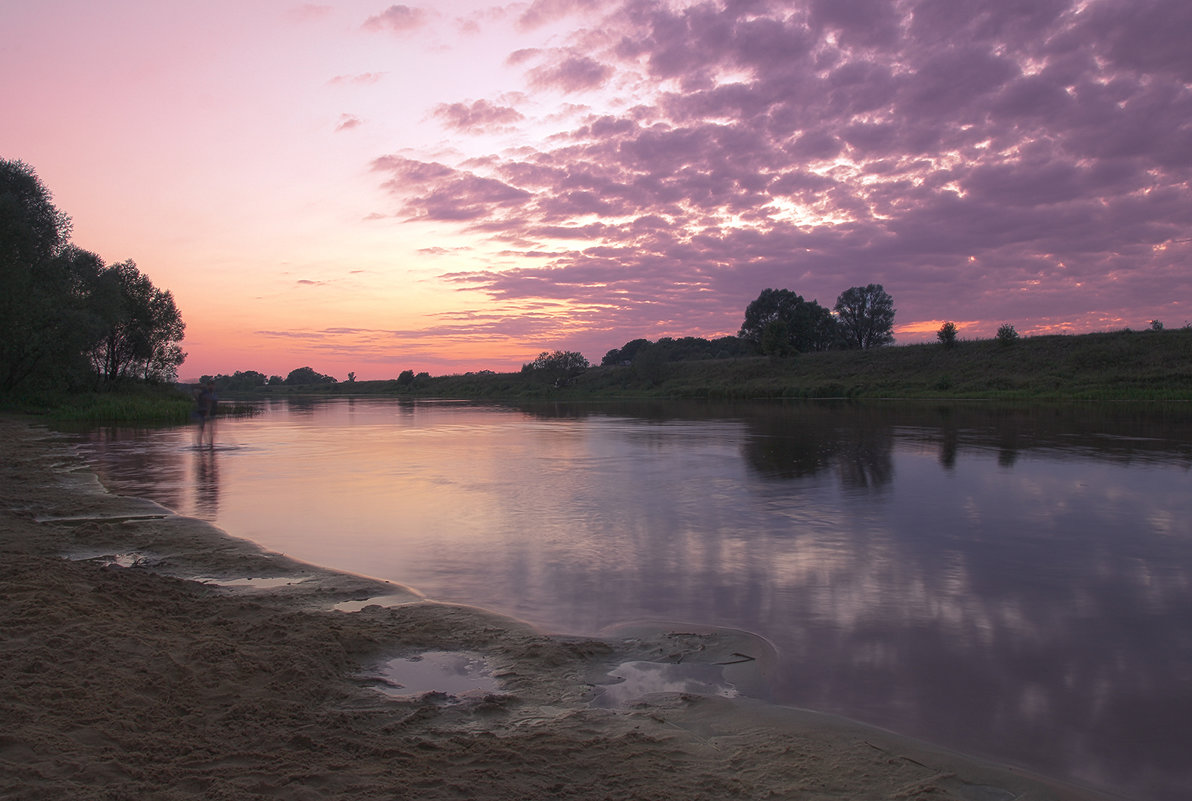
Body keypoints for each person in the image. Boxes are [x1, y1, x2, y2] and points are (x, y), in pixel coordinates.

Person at [194, 380, 217, 447]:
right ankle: (201, 444)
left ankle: (209, 444)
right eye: (210, 385)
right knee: (202, 429)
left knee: (210, 430)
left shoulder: (210, 393)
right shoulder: (205, 392)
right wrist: (207, 414)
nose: (212, 387)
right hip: (203, 412)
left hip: (206, 412)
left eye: (213, 385)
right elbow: (208, 404)